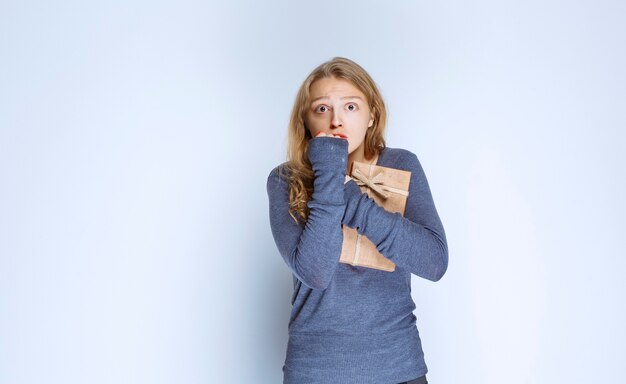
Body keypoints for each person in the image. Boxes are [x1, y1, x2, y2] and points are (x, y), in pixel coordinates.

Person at [266, 57, 448, 384]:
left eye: (350, 106)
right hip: (316, 372)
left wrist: (354, 201)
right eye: (322, 109)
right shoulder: (284, 180)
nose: (336, 120)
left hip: (399, 369)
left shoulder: (402, 165)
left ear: (371, 115)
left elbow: (434, 262)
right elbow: (315, 272)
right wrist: (328, 176)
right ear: (305, 120)